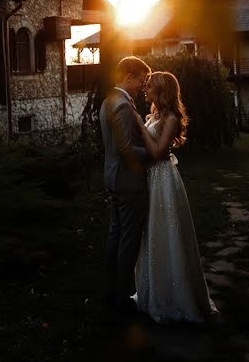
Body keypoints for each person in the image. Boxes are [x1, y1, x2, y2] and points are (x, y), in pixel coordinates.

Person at [131, 71, 218, 323]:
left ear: (161, 90)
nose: (145, 91)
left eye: (149, 88)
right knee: (151, 232)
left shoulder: (171, 118)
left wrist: (139, 125)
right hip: (149, 179)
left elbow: (158, 152)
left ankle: (175, 297)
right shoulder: (156, 114)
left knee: (166, 231)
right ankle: (153, 293)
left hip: (163, 180)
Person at [100, 56, 153, 316]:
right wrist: (153, 152)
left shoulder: (110, 101)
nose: (142, 86)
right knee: (127, 239)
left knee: (116, 236)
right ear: (128, 76)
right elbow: (124, 149)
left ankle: (112, 290)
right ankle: (121, 296)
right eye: (141, 80)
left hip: (115, 179)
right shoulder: (121, 105)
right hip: (128, 182)